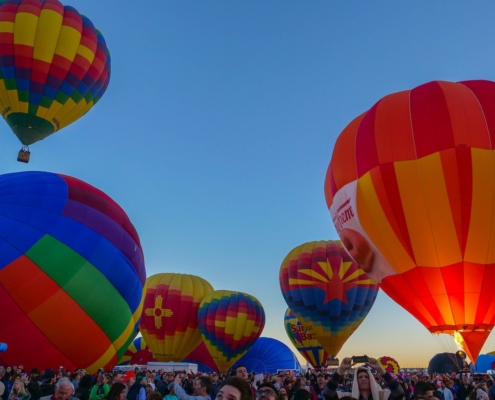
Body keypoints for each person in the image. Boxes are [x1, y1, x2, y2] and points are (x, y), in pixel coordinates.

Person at [322, 357, 404, 400]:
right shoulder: (347, 397)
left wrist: (380, 370)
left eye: (366, 377)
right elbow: (327, 394)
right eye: (360, 377)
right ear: (355, 381)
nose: (363, 379)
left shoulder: (383, 396)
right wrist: (340, 370)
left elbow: (399, 393)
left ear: (372, 379)